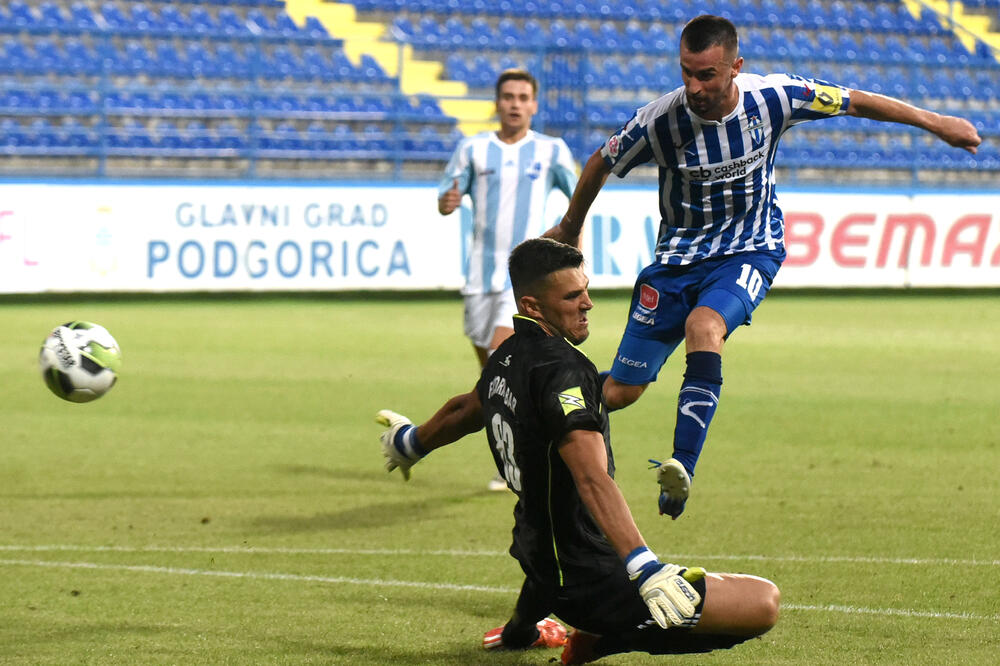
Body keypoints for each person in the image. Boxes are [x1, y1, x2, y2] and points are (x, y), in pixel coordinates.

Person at [543, 14, 983, 519]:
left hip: (750, 249)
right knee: (620, 392)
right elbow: (600, 160)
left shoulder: (775, 97)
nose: (693, 86)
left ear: (736, 67)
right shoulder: (659, 120)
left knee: (704, 326)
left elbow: (855, 101)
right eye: (686, 72)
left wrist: (937, 122)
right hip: (676, 262)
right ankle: (545, 409)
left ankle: (681, 468)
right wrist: (570, 225)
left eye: (706, 74)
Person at [375, 238, 780, 664]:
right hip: (593, 583)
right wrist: (644, 567)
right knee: (764, 602)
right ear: (533, 306)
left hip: (538, 559)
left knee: (553, 520)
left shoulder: (505, 356)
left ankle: (519, 631)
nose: (587, 304)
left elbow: (465, 410)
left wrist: (412, 442)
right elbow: (591, 477)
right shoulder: (565, 371)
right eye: (572, 297)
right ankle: (599, 641)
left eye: (585, 290)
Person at [438, 68, 578, 491]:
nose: (515, 104)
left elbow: (579, 200)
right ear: (497, 103)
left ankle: (529, 459)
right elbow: (447, 197)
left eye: (522, 97)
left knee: (505, 361)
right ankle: (518, 454)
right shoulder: (473, 149)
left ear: (533, 104)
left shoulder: (551, 150)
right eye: (508, 97)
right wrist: (448, 200)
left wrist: (570, 251)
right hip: (480, 275)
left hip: (524, 279)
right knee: (494, 380)